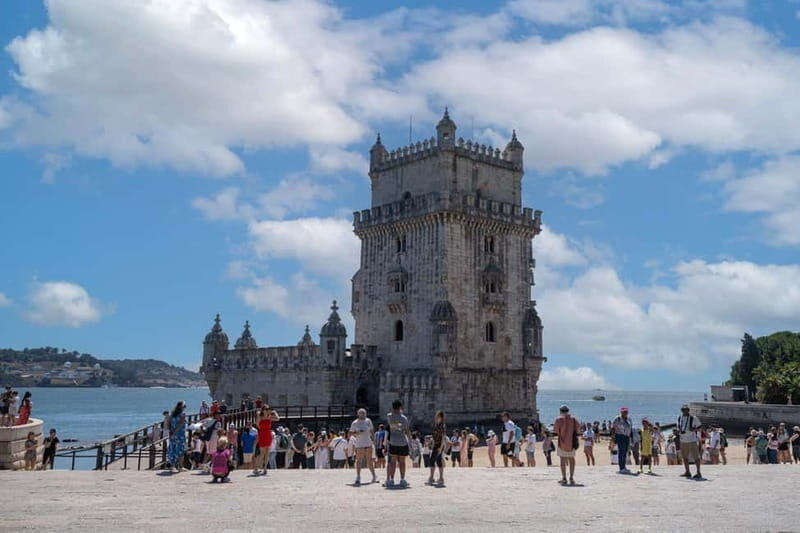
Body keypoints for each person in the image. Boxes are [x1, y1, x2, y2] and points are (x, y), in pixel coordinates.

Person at [384, 399, 411, 488]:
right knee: (402, 462)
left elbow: (392, 423)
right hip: (402, 441)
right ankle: (402, 479)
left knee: (393, 462)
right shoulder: (404, 418)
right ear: (400, 407)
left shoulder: (389, 416)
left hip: (393, 441)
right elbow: (407, 430)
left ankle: (391, 479)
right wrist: (410, 442)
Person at [553, 405, 580, 486]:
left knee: (562, 461)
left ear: (561, 411)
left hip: (562, 442)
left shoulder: (558, 420)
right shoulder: (574, 419)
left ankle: (564, 478)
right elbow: (578, 429)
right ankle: (571, 477)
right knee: (572, 460)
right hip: (572, 443)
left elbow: (556, 431)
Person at [349, 408, 377, 485]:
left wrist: (373, 440)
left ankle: (374, 475)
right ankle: (358, 476)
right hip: (359, 443)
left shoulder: (368, 421)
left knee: (370, 460)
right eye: (361, 413)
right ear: (358, 414)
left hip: (368, 442)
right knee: (359, 460)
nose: (363, 415)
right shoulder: (355, 423)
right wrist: (356, 433)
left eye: (364, 413)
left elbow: (372, 430)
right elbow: (350, 433)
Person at [677, 404, 702, 479]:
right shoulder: (679, 418)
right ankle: (687, 471)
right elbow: (678, 426)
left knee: (696, 457)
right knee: (685, 457)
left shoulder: (693, 418)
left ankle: (698, 472)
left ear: (688, 410)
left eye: (686, 410)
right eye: (683, 410)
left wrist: (693, 430)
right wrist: (679, 431)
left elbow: (700, 426)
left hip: (692, 440)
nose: (684, 411)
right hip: (683, 440)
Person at [253, 406, 279, 475]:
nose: (267, 410)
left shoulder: (270, 416)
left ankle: (265, 469)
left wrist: (275, 412)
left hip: (268, 434)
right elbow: (257, 424)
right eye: (266, 409)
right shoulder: (260, 415)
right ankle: (256, 468)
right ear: (263, 409)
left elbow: (277, 419)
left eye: (268, 409)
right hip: (262, 434)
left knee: (267, 453)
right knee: (262, 453)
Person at [427, 410, 448, 486]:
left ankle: (433, 477)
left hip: (439, 445)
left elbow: (443, 437)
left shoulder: (442, 426)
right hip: (436, 444)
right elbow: (434, 436)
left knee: (432, 460)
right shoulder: (436, 425)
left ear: (441, 418)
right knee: (438, 461)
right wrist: (431, 442)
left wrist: (441, 447)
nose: (436, 417)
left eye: (437, 416)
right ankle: (440, 478)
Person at [611, 407, 633, 474]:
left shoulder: (629, 419)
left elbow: (630, 428)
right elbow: (613, 428)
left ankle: (624, 466)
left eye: (626, 412)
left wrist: (631, 437)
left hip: (627, 437)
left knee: (625, 452)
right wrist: (613, 437)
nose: (625, 413)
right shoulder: (617, 419)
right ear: (621, 412)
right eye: (624, 412)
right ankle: (621, 468)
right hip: (620, 436)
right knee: (621, 452)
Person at [167, 401, 187, 472]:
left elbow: (168, 424)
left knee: (173, 449)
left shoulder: (172, 414)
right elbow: (181, 424)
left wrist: (171, 433)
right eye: (185, 406)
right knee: (181, 450)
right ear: (182, 407)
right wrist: (175, 432)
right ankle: (180, 467)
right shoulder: (183, 414)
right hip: (180, 434)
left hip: (173, 434)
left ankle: (173, 466)